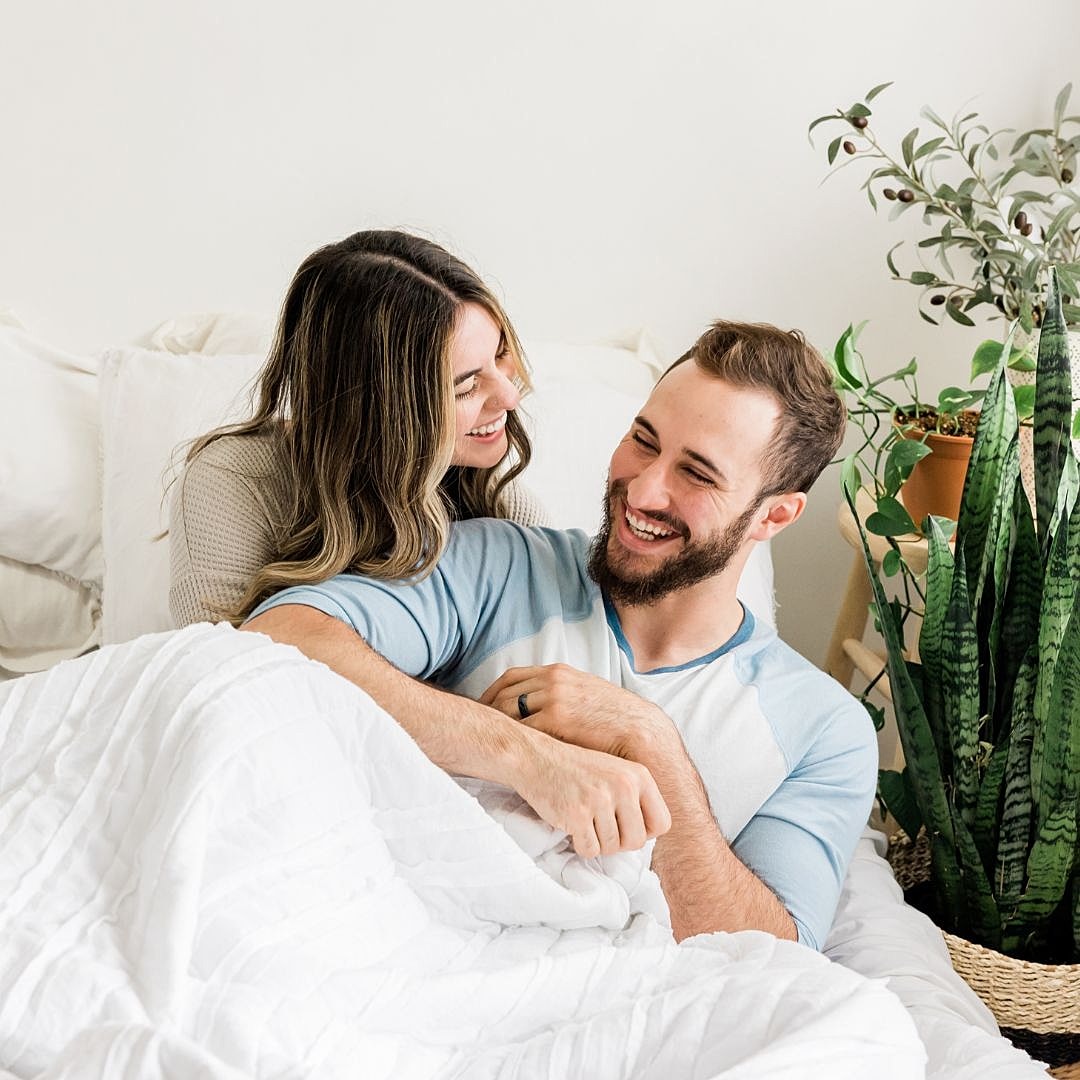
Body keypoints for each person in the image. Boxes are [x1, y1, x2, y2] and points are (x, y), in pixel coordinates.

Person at [241, 320, 877, 951]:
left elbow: (778, 956)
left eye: (698, 474)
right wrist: (525, 756)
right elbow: (280, 636)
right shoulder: (499, 566)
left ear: (774, 514)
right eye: (644, 440)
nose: (644, 490)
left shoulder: (823, 726)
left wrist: (649, 741)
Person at [169, 229, 545, 627]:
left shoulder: (497, 502)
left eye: (500, 355)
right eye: (465, 387)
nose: (510, 397)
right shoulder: (234, 483)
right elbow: (218, 661)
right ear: (380, 409)